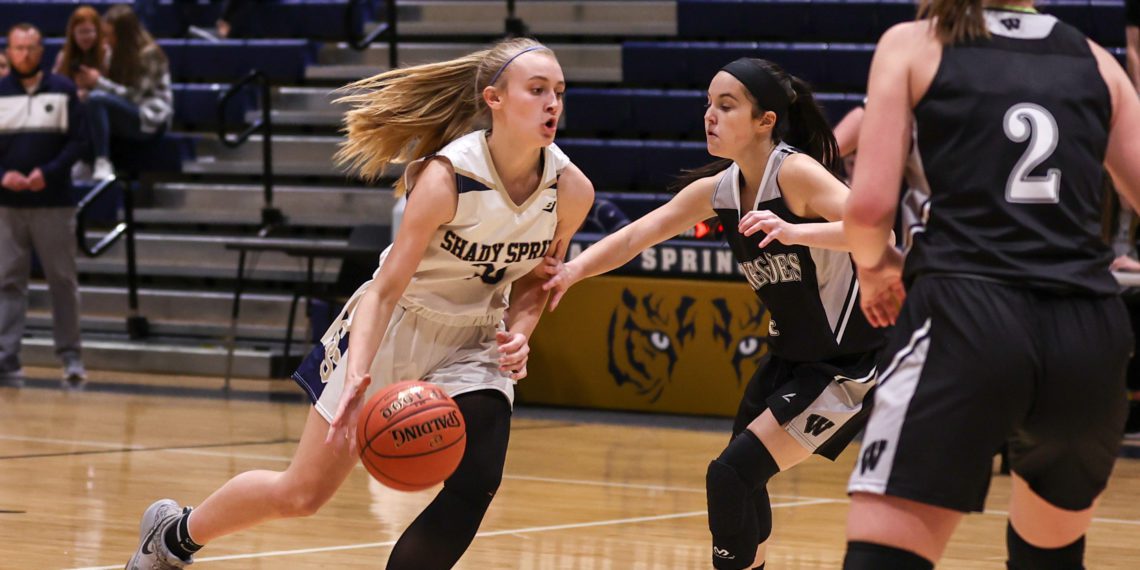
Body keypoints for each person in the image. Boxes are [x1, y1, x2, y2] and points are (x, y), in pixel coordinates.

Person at [125, 37, 594, 570]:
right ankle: (172, 537)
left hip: (474, 337)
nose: (553, 103)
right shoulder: (448, 178)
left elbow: (538, 279)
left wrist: (520, 330)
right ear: (494, 99)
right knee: (302, 494)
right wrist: (358, 375)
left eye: (559, 91)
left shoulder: (571, 190)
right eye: (537, 90)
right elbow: (386, 287)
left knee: (479, 478)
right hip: (394, 324)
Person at [542, 57, 883, 570]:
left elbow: (879, 232)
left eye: (726, 106)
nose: (710, 115)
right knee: (742, 483)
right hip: (787, 359)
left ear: (765, 120)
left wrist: (797, 232)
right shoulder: (722, 190)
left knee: (729, 474)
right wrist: (570, 272)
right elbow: (638, 235)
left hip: (844, 367)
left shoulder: (796, 174)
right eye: (707, 103)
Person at [841, 1, 1140, 568]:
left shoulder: (914, 42)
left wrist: (874, 267)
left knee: (883, 557)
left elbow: (870, 207)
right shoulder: (1096, 59)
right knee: (1049, 558)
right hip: (1087, 329)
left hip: (966, 311)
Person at [0, 24, 88, 388]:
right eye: (18, 48)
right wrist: (2, 175)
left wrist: (47, 173)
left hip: (53, 202)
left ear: (42, 50)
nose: (24, 54)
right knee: (7, 281)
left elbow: (79, 143)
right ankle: (6, 358)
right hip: (6, 204)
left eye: (30, 48)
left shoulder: (64, 91)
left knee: (62, 281)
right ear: (8, 51)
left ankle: (70, 357)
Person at [83, 4, 172, 181]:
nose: (106, 39)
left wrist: (98, 83)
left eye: (109, 34)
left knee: (96, 99)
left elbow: (135, 97)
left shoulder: (149, 54)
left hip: (150, 119)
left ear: (123, 35)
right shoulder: (113, 52)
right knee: (85, 103)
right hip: (128, 113)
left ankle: (102, 160)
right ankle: (84, 161)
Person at [53, 5, 108, 102]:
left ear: (98, 32)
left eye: (89, 31)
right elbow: (54, 87)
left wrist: (97, 81)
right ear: (73, 33)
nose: (85, 37)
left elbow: (116, 90)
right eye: (81, 32)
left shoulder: (107, 53)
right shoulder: (64, 56)